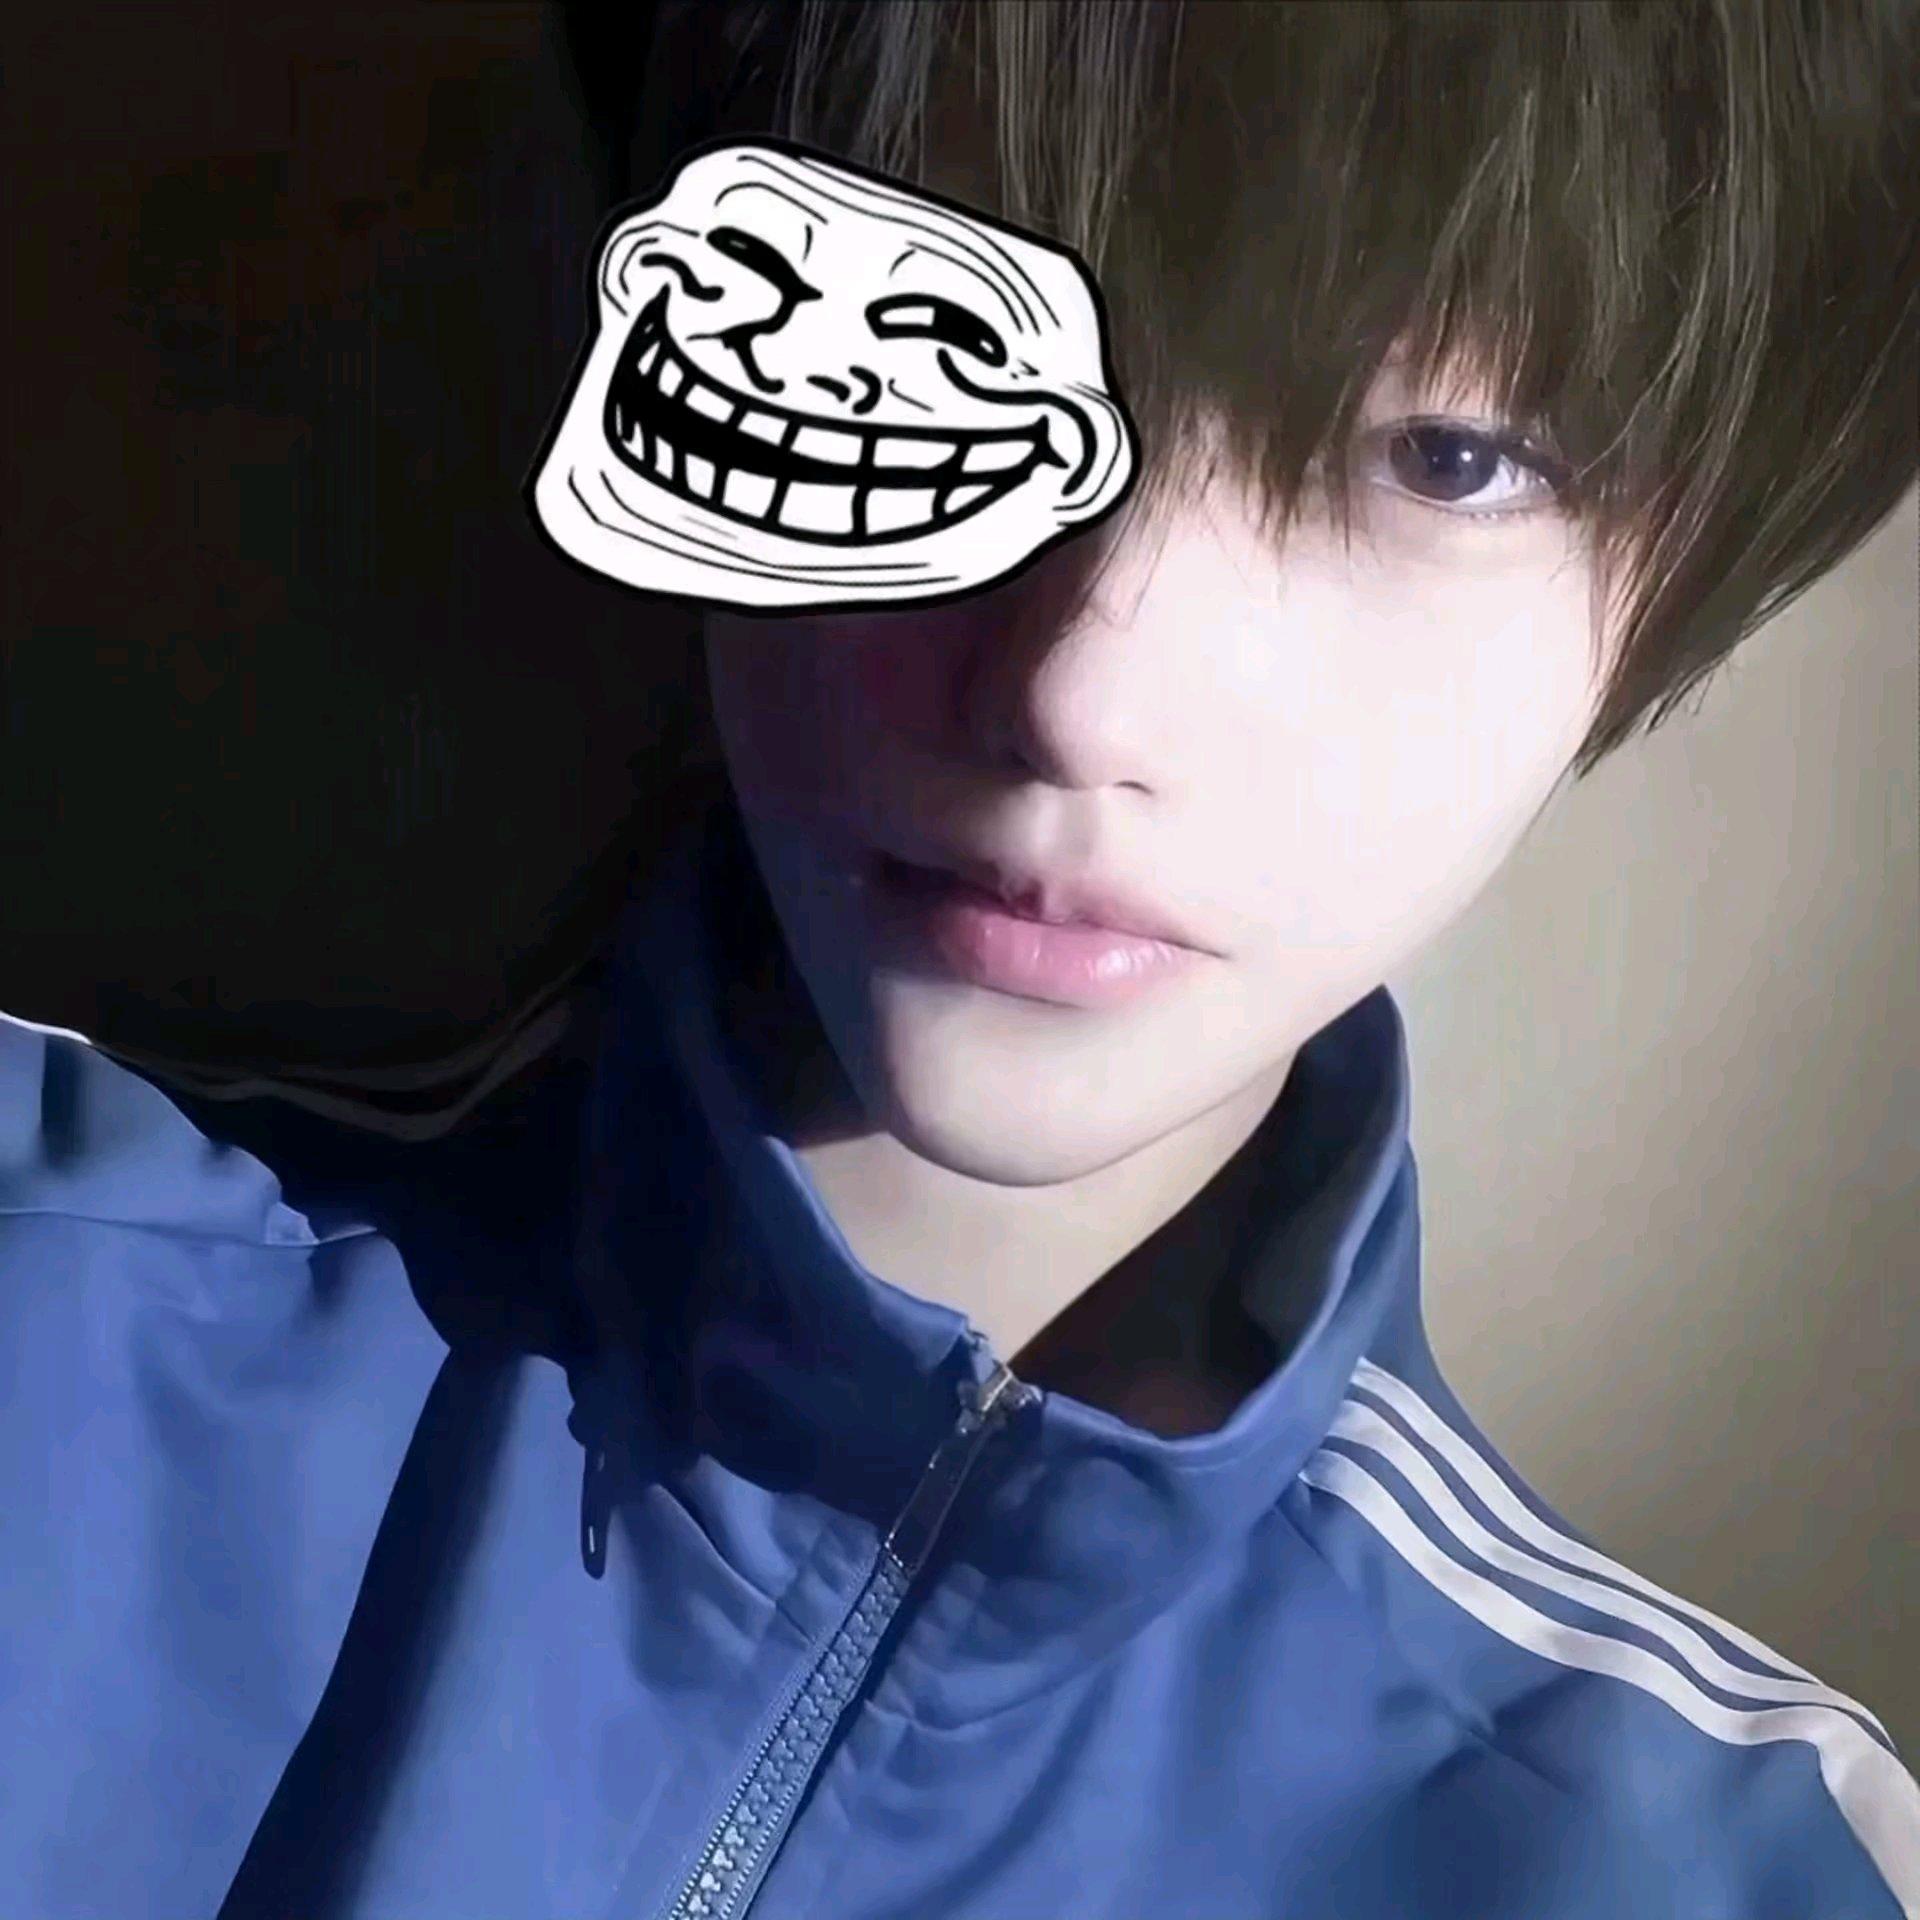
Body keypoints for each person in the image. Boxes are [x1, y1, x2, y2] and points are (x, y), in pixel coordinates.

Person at [2, 2, 1915, 1915]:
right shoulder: (51, 1297)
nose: (1078, 691)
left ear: (1689, 564)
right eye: (911, 339)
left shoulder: (1747, 1875)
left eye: (1444, 457)